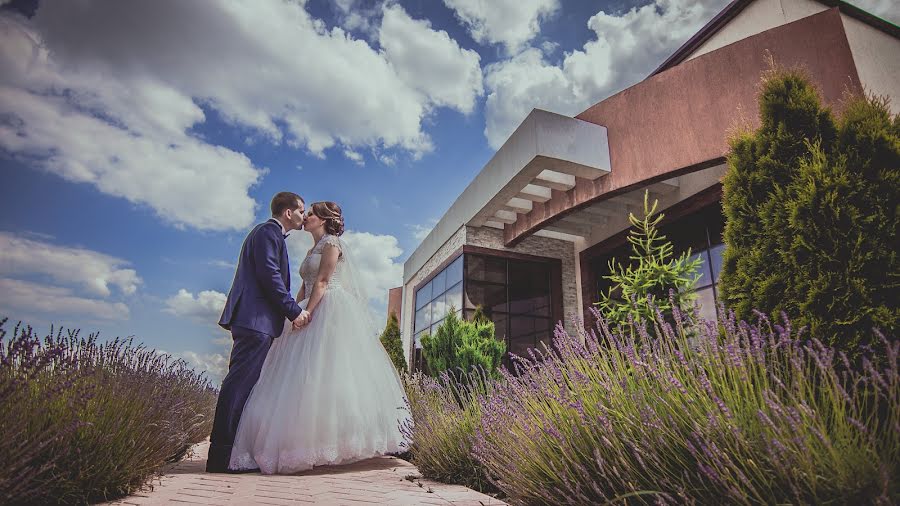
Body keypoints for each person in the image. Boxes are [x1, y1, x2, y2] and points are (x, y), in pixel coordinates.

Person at [229, 201, 410, 474]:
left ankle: (335, 442)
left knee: (327, 372)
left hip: (329, 309)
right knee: (298, 377)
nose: (306, 217)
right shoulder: (311, 248)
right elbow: (304, 286)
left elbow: (324, 282)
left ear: (323, 220)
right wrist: (293, 313)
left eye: (310, 213)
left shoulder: (332, 244)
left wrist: (308, 313)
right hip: (307, 307)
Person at [207, 192, 311, 473]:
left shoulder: (270, 234)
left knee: (244, 385)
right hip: (256, 322)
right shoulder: (268, 232)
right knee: (238, 385)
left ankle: (228, 454)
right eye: (301, 210)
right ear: (288, 212)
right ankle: (220, 458)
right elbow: (269, 275)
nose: (304, 216)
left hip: (256, 321)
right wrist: (294, 310)